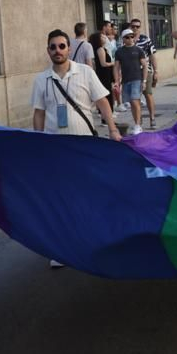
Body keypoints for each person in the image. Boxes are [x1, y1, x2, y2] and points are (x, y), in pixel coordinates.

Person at [33, 29, 121, 269]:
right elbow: (39, 112)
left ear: (69, 49)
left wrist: (112, 129)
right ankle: (64, 248)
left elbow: (102, 101)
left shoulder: (85, 72)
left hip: (84, 145)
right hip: (55, 148)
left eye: (62, 46)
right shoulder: (41, 79)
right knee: (62, 199)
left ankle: (95, 240)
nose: (58, 51)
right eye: (53, 47)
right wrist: (37, 141)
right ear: (48, 50)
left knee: (88, 194)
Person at [125, 18, 160, 129]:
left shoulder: (145, 39)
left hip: (146, 71)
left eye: (137, 26)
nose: (135, 28)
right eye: (133, 26)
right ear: (130, 27)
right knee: (134, 99)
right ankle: (138, 121)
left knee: (148, 94)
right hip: (131, 73)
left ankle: (152, 118)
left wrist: (156, 71)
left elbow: (152, 55)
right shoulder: (125, 39)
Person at [114, 30, 149, 133]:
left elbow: (145, 65)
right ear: (123, 39)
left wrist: (144, 81)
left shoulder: (138, 50)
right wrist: (117, 81)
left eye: (131, 36)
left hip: (137, 79)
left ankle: (137, 125)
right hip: (125, 80)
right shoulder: (119, 51)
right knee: (132, 103)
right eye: (127, 37)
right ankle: (137, 124)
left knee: (134, 101)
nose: (130, 39)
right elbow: (116, 67)